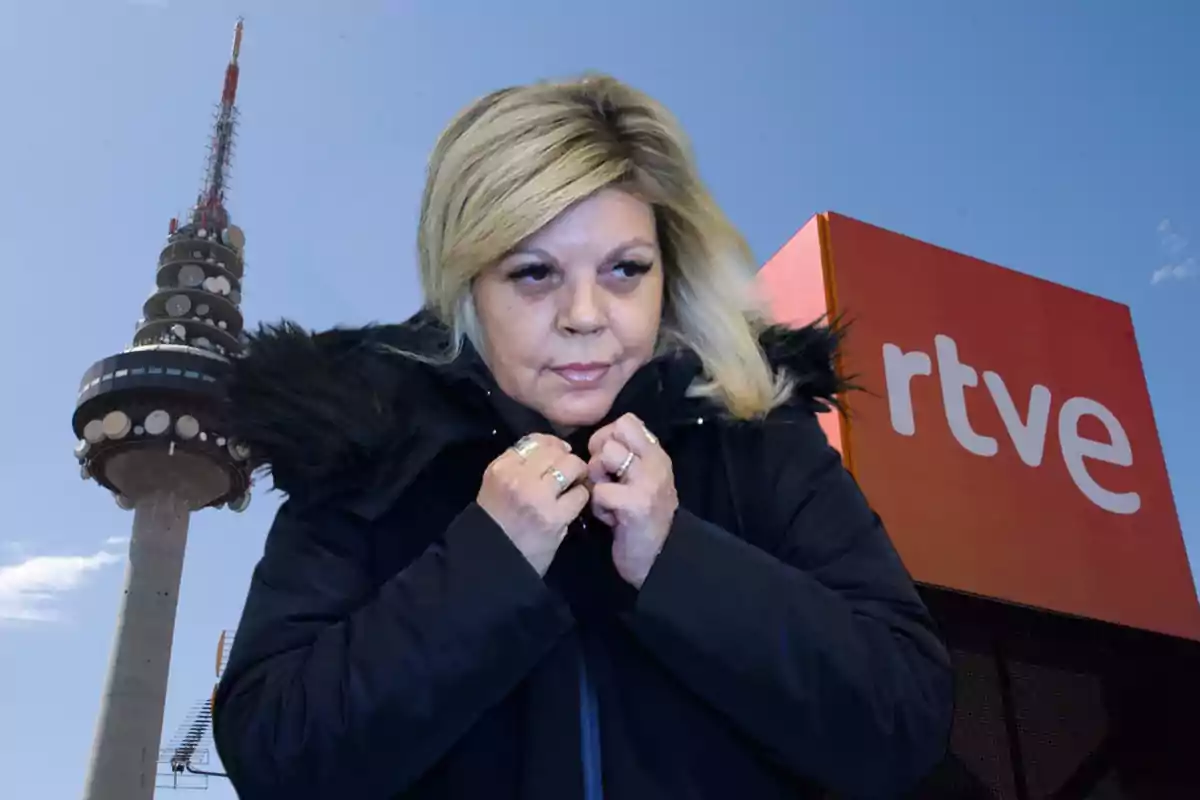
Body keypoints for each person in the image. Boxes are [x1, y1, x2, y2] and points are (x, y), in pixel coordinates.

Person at [212, 73, 954, 799]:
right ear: (467, 283)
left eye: (626, 269)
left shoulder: (757, 435)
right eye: (535, 274)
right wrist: (486, 566)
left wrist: (677, 559)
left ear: (670, 269)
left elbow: (905, 721)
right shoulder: (365, 442)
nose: (586, 314)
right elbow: (274, 756)